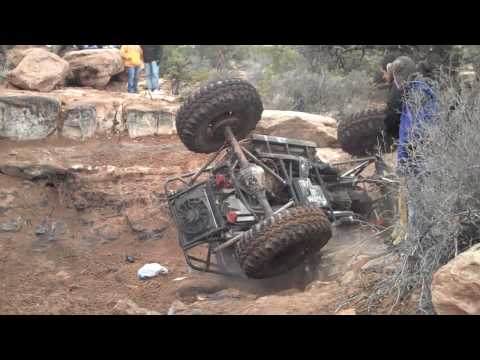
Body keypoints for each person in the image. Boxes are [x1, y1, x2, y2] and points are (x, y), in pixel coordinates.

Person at [384, 56, 438, 245]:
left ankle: (417, 245)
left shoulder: (416, 93)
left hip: (416, 157)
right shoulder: (420, 90)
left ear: (401, 75)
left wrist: (405, 159)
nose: (395, 82)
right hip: (422, 154)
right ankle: (419, 240)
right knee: (418, 199)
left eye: (396, 76)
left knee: (416, 201)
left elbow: (413, 131)